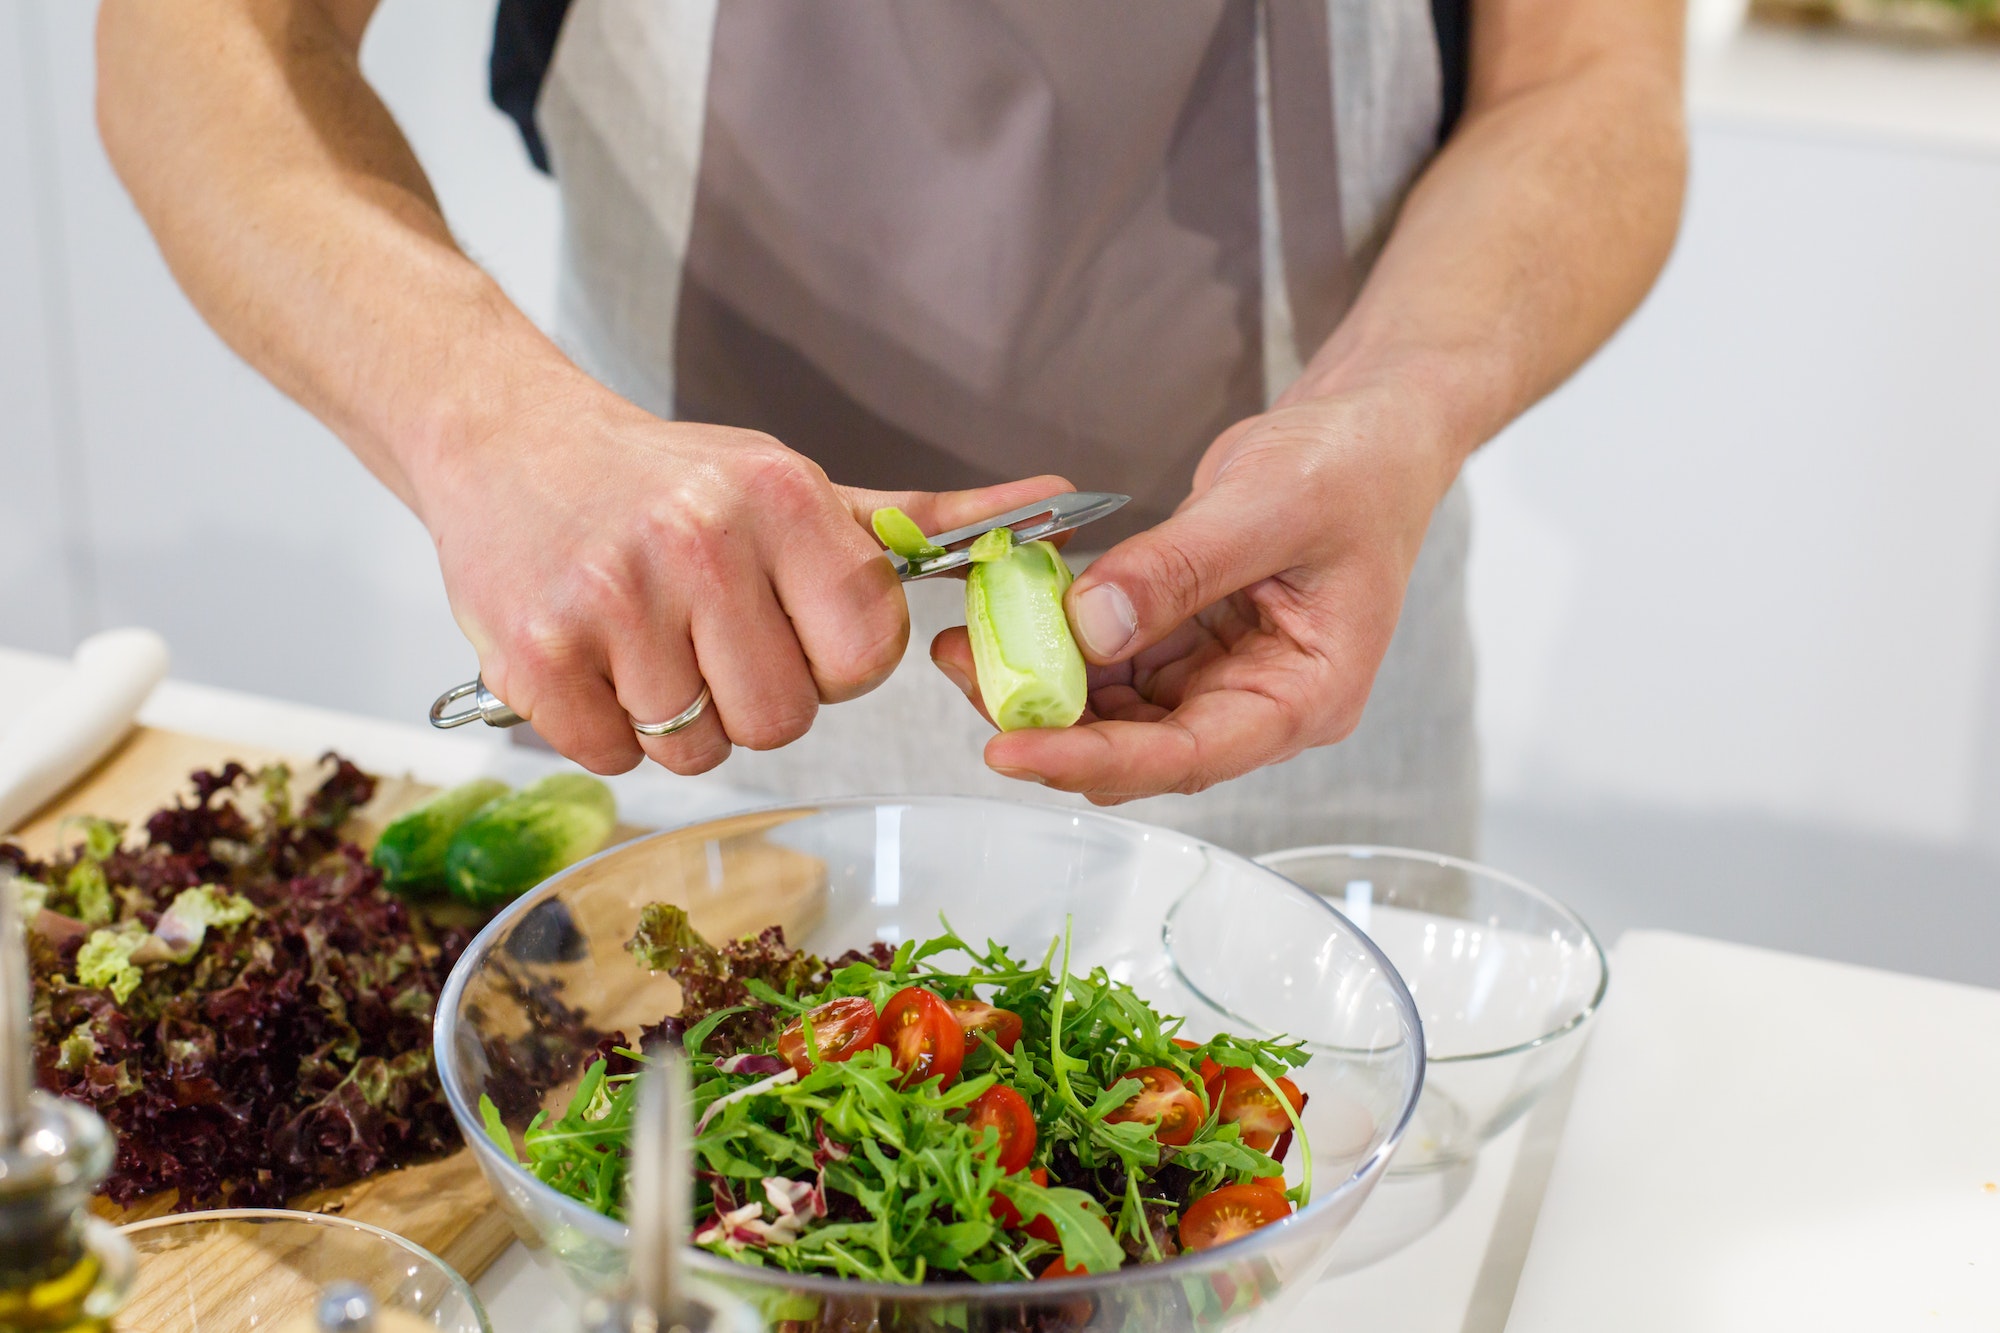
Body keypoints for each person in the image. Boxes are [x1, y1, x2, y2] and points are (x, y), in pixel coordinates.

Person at [96, 0, 1685, 856]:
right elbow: (200, 42)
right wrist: (495, 436)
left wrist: (1393, 413)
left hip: (1294, 725)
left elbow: (1587, 77)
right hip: (686, 721)